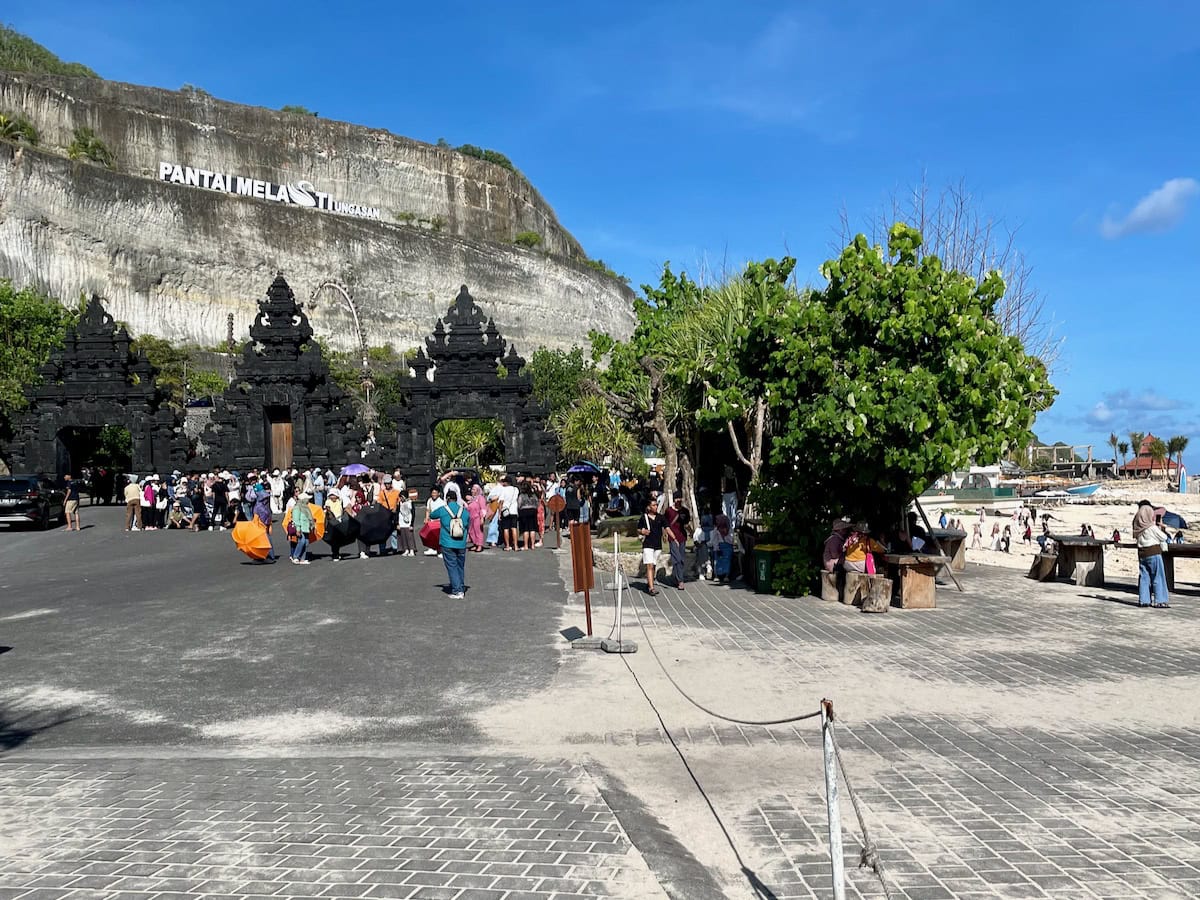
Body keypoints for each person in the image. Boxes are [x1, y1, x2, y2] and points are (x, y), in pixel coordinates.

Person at [432, 485, 470, 598]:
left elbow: (432, 515)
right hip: (461, 542)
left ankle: (457, 590)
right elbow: (468, 522)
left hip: (447, 542)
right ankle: (460, 586)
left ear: (447, 499)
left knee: (451, 566)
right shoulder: (464, 510)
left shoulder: (443, 509)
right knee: (460, 566)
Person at [1133, 500, 1170, 608]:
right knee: (1158, 576)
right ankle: (1160, 600)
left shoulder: (1137, 529)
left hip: (1142, 554)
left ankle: (1144, 600)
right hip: (1154, 553)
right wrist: (1161, 528)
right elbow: (1164, 537)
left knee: (1144, 577)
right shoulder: (1151, 528)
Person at [638, 497, 665, 595]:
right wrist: (642, 531)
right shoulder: (644, 517)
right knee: (649, 565)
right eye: (653, 505)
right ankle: (651, 588)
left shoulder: (660, 517)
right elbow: (638, 529)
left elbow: (666, 527)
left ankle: (650, 583)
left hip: (657, 545)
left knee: (653, 565)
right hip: (648, 544)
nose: (656, 507)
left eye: (656, 505)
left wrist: (673, 538)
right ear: (649, 507)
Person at [664, 492, 691, 589]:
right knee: (677, 559)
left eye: (680, 498)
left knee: (681, 559)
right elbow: (665, 524)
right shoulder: (669, 511)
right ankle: (680, 581)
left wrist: (691, 532)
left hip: (682, 537)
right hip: (672, 536)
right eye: (677, 498)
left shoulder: (685, 511)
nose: (678, 500)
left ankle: (676, 576)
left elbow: (687, 524)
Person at [254, 484, 277, 563]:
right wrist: (270, 525)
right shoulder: (266, 506)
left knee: (263, 542)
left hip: (261, 526)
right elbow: (269, 516)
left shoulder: (258, 506)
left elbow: (255, 519)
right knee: (268, 540)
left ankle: (267, 556)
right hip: (266, 525)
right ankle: (270, 556)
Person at [289, 492, 314, 564]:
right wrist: (298, 529)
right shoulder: (297, 507)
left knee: (306, 543)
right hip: (301, 528)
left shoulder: (306, 508)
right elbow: (296, 519)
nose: (308, 501)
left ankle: (303, 558)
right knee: (302, 541)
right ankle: (296, 557)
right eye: (307, 499)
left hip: (306, 528)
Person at [498, 475, 520, 551]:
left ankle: (507, 546)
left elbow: (501, 502)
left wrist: (499, 513)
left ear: (506, 482)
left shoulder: (503, 490)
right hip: (514, 511)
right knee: (514, 528)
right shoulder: (516, 489)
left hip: (505, 511)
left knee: (506, 528)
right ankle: (516, 545)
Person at [517, 480, 539, 550]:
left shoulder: (521, 495)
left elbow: (519, 504)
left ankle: (526, 545)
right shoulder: (533, 495)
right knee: (532, 529)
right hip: (533, 511)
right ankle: (532, 545)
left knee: (525, 529)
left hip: (524, 512)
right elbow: (537, 503)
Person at [424, 486, 445, 557]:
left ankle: (441, 551)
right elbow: (428, 510)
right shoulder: (429, 501)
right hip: (431, 522)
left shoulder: (442, 502)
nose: (434, 494)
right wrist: (426, 518)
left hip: (439, 522)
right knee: (431, 536)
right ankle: (432, 548)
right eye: (432, 493)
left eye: (435, 493)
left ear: (439, 493)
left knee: (439, 537)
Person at [467, 484, 487, 551]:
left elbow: (483, 508)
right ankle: (475, 544)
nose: (472, 491)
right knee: (472, 531)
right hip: (471, 518)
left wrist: (482, 518)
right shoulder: (473, 498)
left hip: (477, 517)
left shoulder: (480, 498)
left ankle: (479, 545)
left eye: (474, 489)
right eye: (472, 489)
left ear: (477, 490)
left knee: (478, 531)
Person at [396, 489, 416, 555]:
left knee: (409, 536)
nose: (401, 498)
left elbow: (413, 513)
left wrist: (412, 524)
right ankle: (406, 549)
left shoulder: (410, 502)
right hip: (401, 522)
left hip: (408, 522)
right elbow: (397, 512)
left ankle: (412, 550)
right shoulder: (399, 503)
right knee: (403, 536)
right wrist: (397, 523)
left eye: (402, 497)